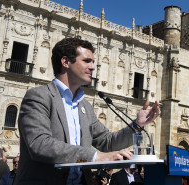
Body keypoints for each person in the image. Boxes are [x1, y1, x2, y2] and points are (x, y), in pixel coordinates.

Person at [14, 38, 160, 185]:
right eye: (87, 61)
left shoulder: (85, 107)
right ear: (65, 62)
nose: (92, 67)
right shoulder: (39, 96)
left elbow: (107, 142)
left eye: (93, 62)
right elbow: (40, 144)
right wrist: (96, 156)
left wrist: (136, 125)